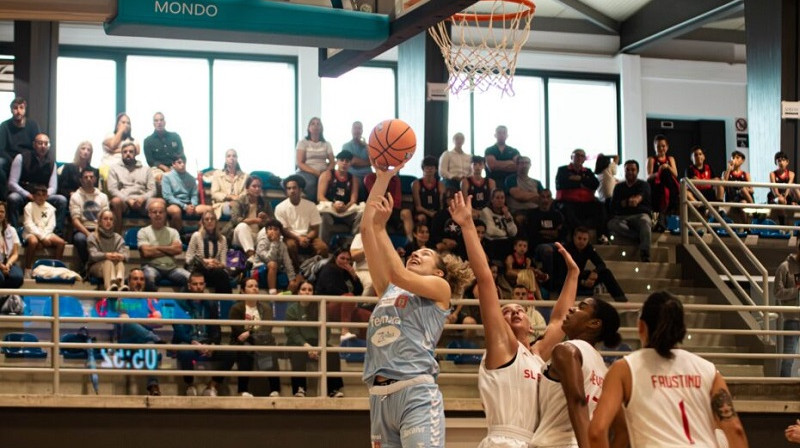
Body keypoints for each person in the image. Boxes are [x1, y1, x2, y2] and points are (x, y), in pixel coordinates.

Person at [448, 190, 579, 448]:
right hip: (503, 441)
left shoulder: (538, 355)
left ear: (531, 324)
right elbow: (485, 279)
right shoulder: (502, 346)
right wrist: (467, 226)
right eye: (507, 310)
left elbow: (559, 320)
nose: (515, 312)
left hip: (535, 442)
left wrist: (573, 274)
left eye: (520, 309)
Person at [361, 160, 474, 448]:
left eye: (424, 254)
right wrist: (384, 179)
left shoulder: (440, 287)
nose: (416, 254)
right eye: (415, 252)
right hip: (379, 396)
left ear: (438, 271)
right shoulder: (389, 290)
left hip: (416, 392)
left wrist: (382, 228)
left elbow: (396, 268)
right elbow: (366, 232)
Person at [588, 291, 748, 448]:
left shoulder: (624, 369)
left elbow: (597, 431)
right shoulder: (709, 370)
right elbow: (735, 430)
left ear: (641, 326)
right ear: (681, 329)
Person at [530, 297, 622, 448]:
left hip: (555, 443)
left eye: (581, 307)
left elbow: (577, 400)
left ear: (594, 323)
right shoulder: (603, 368)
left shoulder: (566, 349)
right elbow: (620, 426)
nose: (572, 309)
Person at [286, 280, 346, 398]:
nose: (307, 292)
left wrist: (318, 348)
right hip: (299, 343)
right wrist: (306, 346)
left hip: (317, 343)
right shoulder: (292, 309)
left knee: (332, 353)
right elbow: (293, 332)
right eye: (303, 290)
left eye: (310, 290)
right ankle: (300, 389)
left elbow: (326, 331)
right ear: (298, 292)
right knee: (297, 354)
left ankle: (333, 389)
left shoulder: (320, 307)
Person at [224, 277, 280, 397]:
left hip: (263, 341)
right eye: (250, 286)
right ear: (243, 291)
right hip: (242, 343)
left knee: (269, 349)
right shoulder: (236, 308)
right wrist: (252, 332)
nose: (254, 288)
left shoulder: (266, 308)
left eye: (256, 286)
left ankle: (275, 390)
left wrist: (249, 332)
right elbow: (238, 331)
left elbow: (266, 328)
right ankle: (242, 390)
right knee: (246, 348)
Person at [544, 227, 627, 302]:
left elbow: (601, 264)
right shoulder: (566, 249)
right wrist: (583, 282)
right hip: (566, 280)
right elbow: (563, 273)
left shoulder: (588, 248)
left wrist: (595, 272)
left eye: (585, 239)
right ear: (574, 238)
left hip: (580, 276)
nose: (582, 242)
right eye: (579, 238)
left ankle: (621, 299)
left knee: (606, 273)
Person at [7, 132, 68, 236]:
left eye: (46, 144)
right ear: (34, 144)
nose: (43, 146)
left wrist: (43, 195)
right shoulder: (21, 158)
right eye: (40, 143)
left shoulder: (52, 162)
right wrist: (28, 195)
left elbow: (53, 187)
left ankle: (57, 234)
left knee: (61, 200)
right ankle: (14, 234)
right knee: (13, 198)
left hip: (42, 196)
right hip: (25, 195)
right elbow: (12, 183)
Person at [173, 271, 222, 396]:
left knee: (229, 353)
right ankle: (189, 385)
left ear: (205, 285)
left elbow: (216, 328)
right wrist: (192, 342)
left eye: (201, 284)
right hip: (189, 341)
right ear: (189, 286)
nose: (198, 287)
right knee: (185, 351)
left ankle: (212, 386)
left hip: (206, 342)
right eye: (195, 284)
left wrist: (212, 343)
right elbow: (178, 329)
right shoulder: (180, 302)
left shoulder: (211, 303)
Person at [275, 174, 329, 268]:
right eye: (289, 188)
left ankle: (316, 270)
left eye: (294, 188)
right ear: (286, 191)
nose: (292, 191)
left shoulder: (311, 205)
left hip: (308, 237)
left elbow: (315, 229)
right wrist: (299, 238)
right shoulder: (280, 207)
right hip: (291, 237)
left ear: (300, 189)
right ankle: (297, 271)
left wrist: (306, 238)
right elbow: (284, 230)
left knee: (323, 248)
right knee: (290, 246)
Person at [137, 199, 191, 291]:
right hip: (151, 266)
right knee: (148, 277)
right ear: (149, 214)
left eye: (161, 212)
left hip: (172, 268)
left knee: (191, 279)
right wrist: (169, 249)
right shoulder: (143, 231)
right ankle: (153, 304)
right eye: (154, 212)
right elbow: (146, 252)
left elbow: (178, 250)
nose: (158, 214)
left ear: (165, 214)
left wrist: (155, 248)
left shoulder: (173, 232)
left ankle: (182, 304)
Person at [607, 160, 653, 262]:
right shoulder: (619, 187)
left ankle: (645, 253)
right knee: (612, 224)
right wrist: (628, 202)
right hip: (622, 217)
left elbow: (638, 198)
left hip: (640, 215)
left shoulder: (643, 185)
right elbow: (613, 205)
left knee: (645, 222)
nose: (630, 172)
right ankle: (639, 237)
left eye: (633, 170)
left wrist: (628, 202)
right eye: (627, 169)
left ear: (637, 171)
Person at [107, 141, 156, 233]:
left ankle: (157, 238)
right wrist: (127, 200)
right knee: (115, 201)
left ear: (135, 153)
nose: (128, 154)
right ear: (121, 154)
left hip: (143, 201)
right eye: (125, 152)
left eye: (131, 151)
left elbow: (153, 190)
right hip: (124, 201)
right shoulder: (114, 168)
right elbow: (112, 189)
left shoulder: (146, 169)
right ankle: (117, 237)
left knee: (159, 203)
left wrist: (143, 198)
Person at [316, 149, 363, 245]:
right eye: (342, 160)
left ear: (350, 163)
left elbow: (353, 199)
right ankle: (323, 249)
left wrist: (346, 207)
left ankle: (355, 245)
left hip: (346, 211)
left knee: (362, 214)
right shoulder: (327, 175)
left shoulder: (353, 179)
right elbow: (320, 197)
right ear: (337, 161)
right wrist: (333, 205)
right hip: (330, 209)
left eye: (347, 161)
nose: (344, 163)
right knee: (323, 215)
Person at [555, 148, 602, 241]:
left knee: (601, 207)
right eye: (577, 155)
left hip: (587, 202)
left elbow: (595, 184)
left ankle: (602, 236)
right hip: (568, 202)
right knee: (568, 210)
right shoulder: (563, 170)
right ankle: (579, 232)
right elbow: (561, 184)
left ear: (584, 159)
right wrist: (584, 184)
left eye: (582, 156)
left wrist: (579, 179)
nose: (579, 157)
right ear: (571, 157)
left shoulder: (588, 171)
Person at [222, 175, 272, 261]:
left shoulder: (265, 203)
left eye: (259, 186)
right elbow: (235, 220)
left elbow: (273, 222)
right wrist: (253, 220)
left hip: (257, 235)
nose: (257, 189)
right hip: (239, 235)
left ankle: (267, 258)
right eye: (254, 186)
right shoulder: (239, 201)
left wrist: (266, 218)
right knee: (242, 226)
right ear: (247, 188)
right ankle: (252, 258)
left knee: (267, 230)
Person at [317, 247, 364, 337]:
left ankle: (365, 346)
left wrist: (354, 276)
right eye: (342, 258)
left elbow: (359, 291)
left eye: (348, 259)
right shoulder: (329, 269)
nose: (345, 261)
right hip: (326, 307)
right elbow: (332, 290)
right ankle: (345, 331)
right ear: (335, 258)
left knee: (367, 317)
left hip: (345, 306)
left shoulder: (346, 272)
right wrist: (349, 297)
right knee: (349, 297)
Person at [70, 169, 109, 273]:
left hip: (99, 228)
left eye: (91, 177)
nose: (89, 179)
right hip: (82, 229)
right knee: (80, 239)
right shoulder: (75, 196)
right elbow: (75, 221)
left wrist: (97, 231)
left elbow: (106, 218)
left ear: (95, 179)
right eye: (86, 177)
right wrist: (89, 234)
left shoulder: (103, 196)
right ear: (81, 180)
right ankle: (87, 265)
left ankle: (102, 266)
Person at [22, 184, 66, 277]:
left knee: (61, 242)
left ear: (46, 196)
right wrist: (42, 238)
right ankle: (27, 269)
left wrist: (44, 236)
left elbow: (51, 225)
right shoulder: (29, 206)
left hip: (46, 232)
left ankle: (55, 269)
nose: (41, 197)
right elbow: (29, 224)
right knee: (33, 242)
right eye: (38, 195)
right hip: (31, 232)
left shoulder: (50, 208)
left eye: (43, 195)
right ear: (33, 196)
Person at [162, 154, 213, 233]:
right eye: (179, 162)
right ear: (173, 164)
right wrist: (184, 207)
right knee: (176, 211)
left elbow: (194, 194)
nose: (182, 164)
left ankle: (199, 234)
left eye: (184, 162)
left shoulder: (191, 178)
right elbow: (168, 196)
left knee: (209, 209)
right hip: (174, 204)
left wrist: (193, 205)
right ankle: (178, 236)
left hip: (189, 204)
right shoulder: (167, 177)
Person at [0, 97, 40, 199]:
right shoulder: (4, 126)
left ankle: (37, 195)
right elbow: (1, 148)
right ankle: (3, 199)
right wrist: (13, 161)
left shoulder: (32, 125)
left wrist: (25, 158)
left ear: (25, 109)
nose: (18, 111)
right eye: (15, 108)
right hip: (10, 158)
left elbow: (37, 144)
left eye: (21, 108)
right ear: (11, 110)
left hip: (27, 157)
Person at [185, 210, 231, 294]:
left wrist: (216, 263)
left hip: (214, 271)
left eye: (212, 219)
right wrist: (204, 261)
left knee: (222, 274)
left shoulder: (222, 239)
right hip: (198, 269)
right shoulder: (196, 236)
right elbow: (188, 259)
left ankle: (223, 304)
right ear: (203, 222)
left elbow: (224, 263)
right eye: (206, 219)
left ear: (216, 222)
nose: (209, 221)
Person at [254, 219, 301, 295]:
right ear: (266, 232)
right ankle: (272, 292)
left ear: (280, 233)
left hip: (275, 271)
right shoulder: (262, 242)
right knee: (273, 264)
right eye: (270, 229)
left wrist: (292, 279)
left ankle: (288, 293)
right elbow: (268, 259)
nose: (273, 231)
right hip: (259, 270)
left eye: (275, 229)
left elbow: (287, 263)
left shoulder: (282, 245)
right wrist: (274, 243)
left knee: (298, 277)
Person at [774, 240, 800, 377]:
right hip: (792, 319)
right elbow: (777, 292)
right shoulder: (785, 267)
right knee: (788, 357)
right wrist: (796, 291)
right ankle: (783, 388)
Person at [87, 210, 129, 291]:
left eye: (111, 219)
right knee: (108, 262)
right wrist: (106, 255)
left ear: (113, 222)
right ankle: (109, 287)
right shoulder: (93, 236)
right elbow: (93, 255)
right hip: (95, 267)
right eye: (105, 219)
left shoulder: (118, 237)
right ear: (100, 221)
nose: (108, 221)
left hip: (114, 265)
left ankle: (120, 286)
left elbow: (126, 255)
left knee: (120, 263)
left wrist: (121, 256)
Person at [295, 117, 334, 202]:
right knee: (311, 183)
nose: (316, 126)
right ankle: (312, 207)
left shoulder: (326, 144)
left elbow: (332, 162)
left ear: (321, 128)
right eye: (313, 124)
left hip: (323, 172)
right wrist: (316, 173)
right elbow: (300, 163)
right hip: (306, 171)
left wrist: (326, 172)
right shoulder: (303, 143)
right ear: (309, 128)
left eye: (318, 124)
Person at [647, 134, 680, 230]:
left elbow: (675, 174)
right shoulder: (651, 159)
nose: (661, 148)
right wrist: (659, 170)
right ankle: (664, 214)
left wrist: (667, 166)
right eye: (658, 146)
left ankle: (665, 216)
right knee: (664, 173)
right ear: (654, 147)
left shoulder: (670, 159)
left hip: (670, 185)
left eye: (663, 146)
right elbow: (649, 176)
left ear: (667, 147)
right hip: (657, 185)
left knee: (666, 172)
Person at [143, 112, 184, 183]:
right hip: (158, 170)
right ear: (153, 124)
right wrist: (164, 168)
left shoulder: (175, 137)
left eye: (161, 120)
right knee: (162, 178)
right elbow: (150, 161)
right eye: (156, 120)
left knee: (187, 179)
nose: (159, 122)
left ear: (165, 122)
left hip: (174, 167)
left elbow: (181, 154)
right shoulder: (148, 141)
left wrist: (177, 166)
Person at [504, 156, 543, 225]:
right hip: (517, 211)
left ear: (530, 165)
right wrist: (535, 194)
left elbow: (543, 198)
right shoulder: (511, 179)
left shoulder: (537, 182)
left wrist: (525, 194)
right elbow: (519, 196)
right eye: (522, 163)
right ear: (517, 165)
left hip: (535, 210)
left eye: (527, 163)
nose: (524, 165)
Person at [481, 188, 518, 262]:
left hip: (506, 241)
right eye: (497, 198)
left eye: (502, 198)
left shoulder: (506, 213)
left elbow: (514, 232)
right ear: (492, 200)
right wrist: (506, 233)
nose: (500, 200)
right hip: (493, 242)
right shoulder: (486, 211)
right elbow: (490, 231)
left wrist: (507, 216)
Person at [210, 148, 247, 218]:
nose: (231, 158)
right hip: (222, 204)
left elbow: (245, 193)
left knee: (240, 208)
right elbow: (214, 193)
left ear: (237, 159)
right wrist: (229, 196)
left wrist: (237, 199)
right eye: (229, 156)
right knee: (232, 208)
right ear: (225, 159)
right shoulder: (217, 174)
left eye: (234, 156)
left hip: (240, 203)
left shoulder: (245, 176)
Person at [101, 112, 139, 180]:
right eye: (123, 122)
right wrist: (121, 130)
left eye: (128, 123)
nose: (126, 125)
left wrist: (114, 151)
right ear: (117, 124)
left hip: (127, 167)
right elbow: (112, 145)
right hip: (109, 166)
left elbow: (137, 151)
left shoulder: (132, 140)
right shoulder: (110, 135)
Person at [411, 155, 445, 225]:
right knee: (422, 218)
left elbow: (442, 205)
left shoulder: (440, 185)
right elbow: (418, 207)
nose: (429, 169)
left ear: (436, 169)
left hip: (436, 212)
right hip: (422, 212)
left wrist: (437, 214)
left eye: (432, 167)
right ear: (423, 169)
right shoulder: (416, 184)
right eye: (427, 167)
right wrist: (429, 213)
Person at [768, 151, 798, 225]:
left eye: (783, 160)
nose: (781, 163)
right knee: (781, 200)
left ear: (787, 162)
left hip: (786, 196)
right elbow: (775, 191)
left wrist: (785, 197)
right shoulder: (772, 174)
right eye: (779, 161)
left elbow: (789, 187)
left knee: (795, 188)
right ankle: (782, 225)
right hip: (775, 196)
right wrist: (780, 197)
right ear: (776, 162)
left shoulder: (791, 174)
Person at [0, 201, 23, 289]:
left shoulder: (11, 230)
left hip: (7, 262)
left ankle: (8, 300)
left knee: (17, 277)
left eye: (2, 211)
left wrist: (8, 264)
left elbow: (15, 253)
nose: (0, 214)